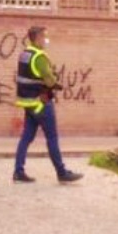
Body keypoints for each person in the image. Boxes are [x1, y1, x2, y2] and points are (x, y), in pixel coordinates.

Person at [12, 26, 84, 185]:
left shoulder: (24, 54)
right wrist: (56, 83)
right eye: (44, 36)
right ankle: (62, 172)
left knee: (26, 137)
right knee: (52, 137)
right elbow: (49, 80)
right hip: (41, 103)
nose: (46, 40)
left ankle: (18, 171)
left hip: (28, 104)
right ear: (37, 38)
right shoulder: (39, 57)